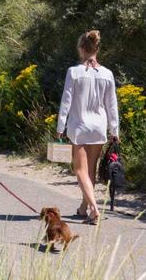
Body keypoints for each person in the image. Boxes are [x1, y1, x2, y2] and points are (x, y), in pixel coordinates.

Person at [57, 30, 119, 225]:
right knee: (90, 170)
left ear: (82, 49)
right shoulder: (107, 74)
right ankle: (84, 208)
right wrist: (114, 130)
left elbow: (66, 101)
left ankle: (93, 209)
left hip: (79, 126)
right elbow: (112, 105)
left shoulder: (74, 72)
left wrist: (60, 125)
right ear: (96, 48)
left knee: (80, 170)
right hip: (99, 127)